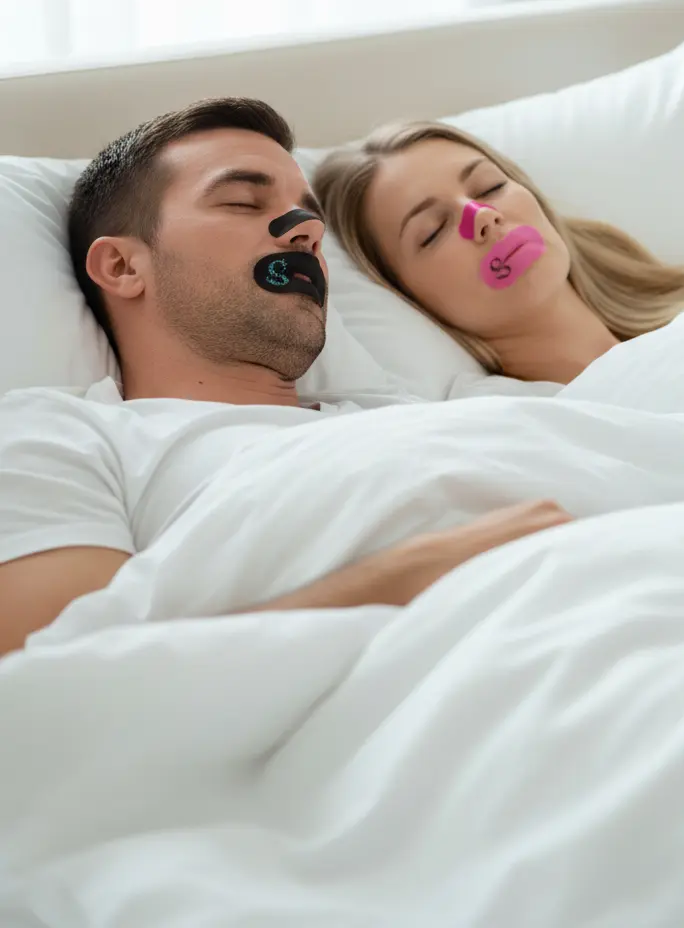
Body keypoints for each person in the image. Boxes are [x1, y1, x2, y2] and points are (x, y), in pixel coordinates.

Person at [0, 98, 572, 656]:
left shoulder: (416, 411)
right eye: (244, 202)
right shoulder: (63, 439)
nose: (305, 232)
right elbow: (56, 681)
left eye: (310, 216)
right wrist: (395, 583)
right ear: (123, 266)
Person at [315, 119, 684, 466]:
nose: (484, 219)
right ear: (407, 297)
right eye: (432, 230)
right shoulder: (503, 428)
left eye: (490, 187)